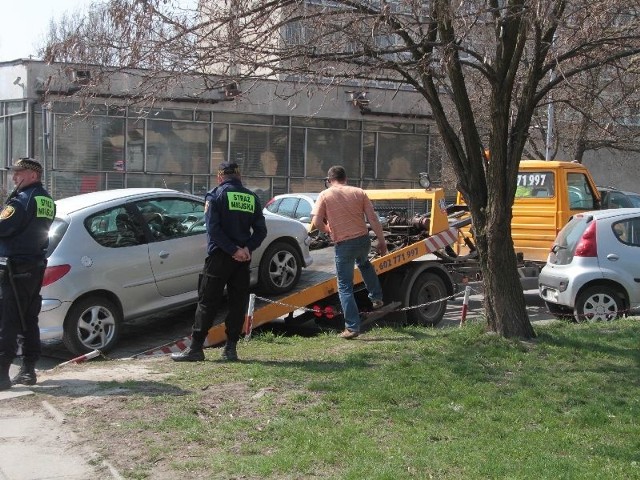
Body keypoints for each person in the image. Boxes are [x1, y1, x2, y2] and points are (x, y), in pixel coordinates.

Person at [172, 162, 267, 362]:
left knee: (207, 302)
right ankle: (230, 349)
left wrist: (232, 250)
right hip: (242, 260)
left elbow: (213, 230)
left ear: (220, 177)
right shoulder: (252, 197)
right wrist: (246, 249)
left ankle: (196, 348)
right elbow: (261, 231)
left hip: (219, 258)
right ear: (239, 177)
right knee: (237, 303)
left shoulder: (215, 195)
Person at [311, 165, 388, 339]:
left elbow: (316, 222)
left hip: (344, 244)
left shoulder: (325, 195)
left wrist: (327, 229)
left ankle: (352, 327)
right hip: (363, 240)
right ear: (345, 178)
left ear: (329, 180)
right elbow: (373, 219)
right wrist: (382, 241)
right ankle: (376, 296)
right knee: (364, 264)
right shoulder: (359, 192)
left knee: (345, 286)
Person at [0, 158, 55, 390]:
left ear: (33, 175)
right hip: (33, 266)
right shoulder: (47, 200)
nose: (14, 177)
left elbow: (3, 228)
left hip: (14, 268)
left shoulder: (22, 200)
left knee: (8, 321)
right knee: (28, 318)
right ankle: (28, 370)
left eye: (19, 172)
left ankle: (2, 375)